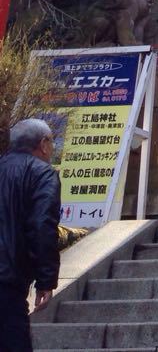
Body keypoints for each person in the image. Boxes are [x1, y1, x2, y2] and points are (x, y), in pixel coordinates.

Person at [0, 119, 61, 352]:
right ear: (44, 144)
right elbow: (42, 225)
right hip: (8, 281)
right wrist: (46, 280)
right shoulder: (42, 174)